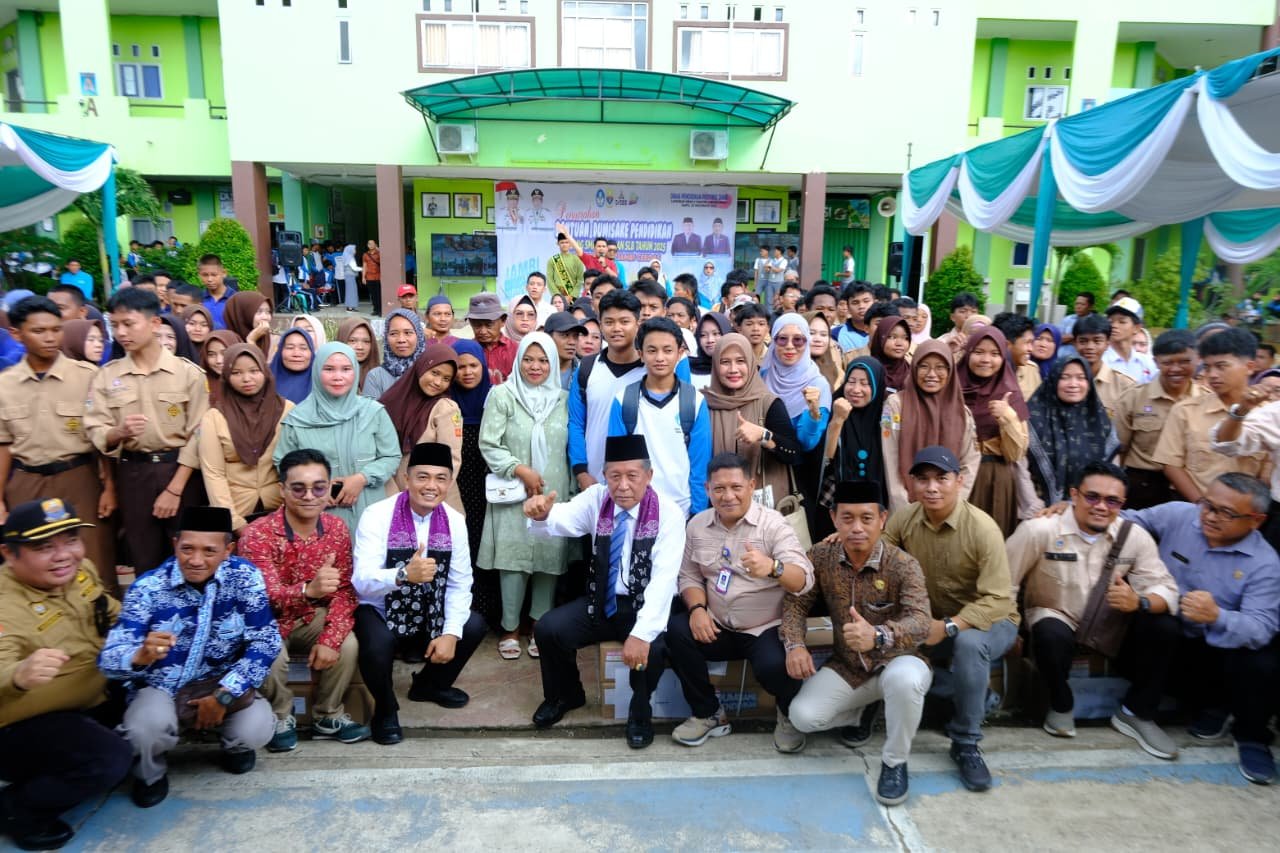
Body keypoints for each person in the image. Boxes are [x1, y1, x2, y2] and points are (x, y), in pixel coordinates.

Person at [99, 506, 281, 807]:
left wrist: (224, 695)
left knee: (256, 728)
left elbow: (266, 641)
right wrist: (139, 655)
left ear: (227, 550)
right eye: (187, 549)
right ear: (175, 545)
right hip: (161, 688)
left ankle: (234, 747)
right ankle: (150, 773)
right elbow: (109, 659)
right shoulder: (148, 587)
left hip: (218, 681)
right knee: (145, 731)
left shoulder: (245, 578)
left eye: (209, 551)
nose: (196, 560)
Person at [1007, 462, 1181, 751]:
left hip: (1111, 625)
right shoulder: (1040, 530)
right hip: (1057, 614)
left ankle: (1136, 712)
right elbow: (1005, 583)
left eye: (1112, 501)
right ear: (1074, 494)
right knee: (1050, 633)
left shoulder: (1133, 536)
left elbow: (1166, 589)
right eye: (1092, 497)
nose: (1101, 506)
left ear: (1122, 504)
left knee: (1165, 626)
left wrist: (1139, 601)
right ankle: (1061, 704)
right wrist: (1009, 629)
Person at [525, 435, 683, 748]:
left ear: (649, 476)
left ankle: (640, 714)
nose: (622, 485)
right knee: (549, 629)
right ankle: (566, 695)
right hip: (602, 601)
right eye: (614, 476)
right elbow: (564, 519)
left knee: (651, 651)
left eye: (632, 476)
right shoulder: (597, 498)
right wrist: (543, 514)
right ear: (605, 475)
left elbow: (664, 580)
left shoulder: (668, 513)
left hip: (644, 604)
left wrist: (642, 634)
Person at [784, 481, 933, 807]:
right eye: (847, 518)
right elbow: (796, 603)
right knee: (803, 716)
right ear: (833, 518)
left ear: (882, 518)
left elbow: (921, 623)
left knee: (905, 681)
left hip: (898, 661)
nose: (856, 528)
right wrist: (794, 645)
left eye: (866, 518)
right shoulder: (821, 556)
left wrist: (878, 635)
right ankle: (861, 712)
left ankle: (895, 762)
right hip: (849, 666)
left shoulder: (902, 564)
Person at [1123, 473, 1280, 783]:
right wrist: (1066, 512)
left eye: (1226, 513)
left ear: (1256, 520)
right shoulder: (1179, 515)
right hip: (1169, 644)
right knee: (1155, 619)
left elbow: (1262, 627)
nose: (1210, 516)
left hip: (1217, 654)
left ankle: (1250, 736)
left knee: (1262, 660)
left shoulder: (1265, 563)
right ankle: (1141, 711)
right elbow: (1125, 520)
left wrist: (1218, 616)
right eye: (1208, 505)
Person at [883, 446, 1018, 793]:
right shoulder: (905, 519)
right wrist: (845, 540)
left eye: (941, 478)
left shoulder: (982, 528)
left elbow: (998, 599)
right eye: (923, 479)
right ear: (912, 484)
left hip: (991, 620)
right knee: (885, 646)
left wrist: (948, 626)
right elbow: (879, 554)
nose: (932, 487)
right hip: (933, 621)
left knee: (970, 645)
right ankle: (977, 697)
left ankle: (966, 743)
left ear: (959, 481)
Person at [0, 499, 132, 850]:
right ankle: (18, 808)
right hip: (21, 723)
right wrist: (18, 675)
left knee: (162, 696)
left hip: (93, 694)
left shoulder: (81, 570)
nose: (63, 556)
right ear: (9, 554)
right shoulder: (4, 603)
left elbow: (111, 613)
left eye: (71, 540)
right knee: (109, 760)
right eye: (44, 547)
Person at [667, 452, 814, 751]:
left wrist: (773, 568)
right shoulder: (697, 525)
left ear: (751, 486)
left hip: (765, 628)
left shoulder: (773, 525)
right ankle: (709, 713)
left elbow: (804, 580)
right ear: (707, 489)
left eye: (736, 487)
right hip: (718, 624)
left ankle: (787, 714)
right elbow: (689, 576)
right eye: (719, 489)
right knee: (677, 631)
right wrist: (697, 609)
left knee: (776, 666)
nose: (728, 496)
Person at [352, 443, 488, 745]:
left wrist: (450, 633)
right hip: (381, 609)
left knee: (472, 625)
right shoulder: (376, 515)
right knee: (375, 643)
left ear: (449, 483)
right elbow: (361, 581)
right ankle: (385, 708)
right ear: (407, 478)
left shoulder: (454, 520)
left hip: (429, 608)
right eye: (422, 477)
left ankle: (429, 685)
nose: (431, 486)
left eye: (440, 478)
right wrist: (402, 575)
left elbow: (460, 582)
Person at [239, 449, 370, 753]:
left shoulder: (336, 529)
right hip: (266, 621)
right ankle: (279, 717)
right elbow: (260, 598)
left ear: (329, 488)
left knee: (347, 643)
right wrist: (307, 591)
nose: (309, 496)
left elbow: (344, 590)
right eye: (298, 488)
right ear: (282, 490)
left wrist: (330, 640)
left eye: (319, 488)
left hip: (310, 617)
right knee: (268, 651)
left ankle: (328, 715)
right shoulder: (257, 535)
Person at [84, 287, 208, 577]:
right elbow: (95, 427)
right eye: (115, 325)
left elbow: (199, 434)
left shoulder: (187, 373)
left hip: (180, 472)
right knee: (144, 556)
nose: (121, 332)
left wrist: (174, 490)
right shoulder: (107, 375)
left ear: (154, 323)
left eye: (129, 323)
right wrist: (118, 432)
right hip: (133, 473)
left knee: (189, 556)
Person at [0, 298, 116, 590]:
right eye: (39, 331)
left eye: (56, 329)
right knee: (34, 560)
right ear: (16, 334)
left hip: (79, 478)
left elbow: (101, 439)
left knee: (93, 557)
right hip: (27, 481)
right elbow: (3, 446)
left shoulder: (87, 376)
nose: (50, 338)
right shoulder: (5, 385)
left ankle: (100, 615)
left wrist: (110, 488)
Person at [479, 332, 571, 660]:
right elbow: (489, 443)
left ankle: (539, 625)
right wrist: (520, 469)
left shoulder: (564, 399)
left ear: (554, 363)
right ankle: (510, 628)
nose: (535, 366)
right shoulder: (503, 395)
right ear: (518, 361)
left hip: (554, 491)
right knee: (512, 560)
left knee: (548, 558)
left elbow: (571, 445)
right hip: (513, 491)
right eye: (528, 359)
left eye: (543, 360)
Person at [273, 342, 401, 531]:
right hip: (317, 513)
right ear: (317, 371)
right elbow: (283, 463)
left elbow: (391, 456)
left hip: (370, 511)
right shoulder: (297, 419)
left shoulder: (373, 412)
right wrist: (314, 488)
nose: (338, 377)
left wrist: (361, 478)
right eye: (329, 369)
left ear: (355, 371)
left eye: (346, 369)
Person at [608, 318, 711, 514]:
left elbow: (700, 464)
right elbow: (616, 462)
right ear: (641, 354)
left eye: (668, 350)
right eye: (652, 350)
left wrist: (697, 513)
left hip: (682, 509)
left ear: (680, 353)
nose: (660, 357)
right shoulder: (623, 401)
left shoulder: (695, 402)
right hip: (636, 510)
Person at [1154, 328, 1270, 502]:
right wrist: (1203, 504)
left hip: (1246, 511)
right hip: (1192, 505)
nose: (1212, 375)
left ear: (1249, 367)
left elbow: (1267, 474)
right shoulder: (1186, 410)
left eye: (1221, 367)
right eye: (1207, 368)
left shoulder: (1268, 415)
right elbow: (1171, 464)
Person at [701, 332, 804, 510]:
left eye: (740, 361)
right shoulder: (704, 404)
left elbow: (794, 454)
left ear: (751, 362)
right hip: (719, 507)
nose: (733, 369)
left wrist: (763, 435)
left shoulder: (768, 403)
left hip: (766, 509)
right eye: (725, 362)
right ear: (715, 365)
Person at [198, 344, 292, 534]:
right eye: (236, 373)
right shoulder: (214, 417)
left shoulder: (287, 410)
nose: (246, 379)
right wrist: (234, 523)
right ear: (226, 376)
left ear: (265, 371)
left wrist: (292, 514)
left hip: (282, 512)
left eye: (254, 371)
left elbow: (295, 467)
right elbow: (214, 474)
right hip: (237, 511)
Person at [881, 339, 980, 513]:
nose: (931, 374)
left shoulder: (962, 413)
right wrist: (904, 508)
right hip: (905, 508)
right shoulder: (895, 405)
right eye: (924, 366)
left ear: (950, 371)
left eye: (940, 367)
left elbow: (969, 463)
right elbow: (890, 457)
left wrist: (953, 504)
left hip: (947, 509)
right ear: (914, 368)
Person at [1113, 330, 1201, 509]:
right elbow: (1119, 450)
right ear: (1155, 362)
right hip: (1141, 487)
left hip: (1189, 490)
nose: (1176, 369)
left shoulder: (1206, 401)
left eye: (1184, 361)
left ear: (1198, 359)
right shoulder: (1133, 398)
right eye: (1167, 363)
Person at [956, 326, 1030, 536]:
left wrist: (1007, 417)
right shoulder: (952, 388)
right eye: (979, 352)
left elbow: (1016, 453)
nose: (986, 359)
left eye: (995, 354)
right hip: (957, 475)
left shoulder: (1010, 393)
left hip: (994, 478)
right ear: (968, 353)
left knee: (990, 540)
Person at [570, 290, 648, 488]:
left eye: (624, 321)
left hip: (640, 484)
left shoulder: (650, 371)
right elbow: (576, 423)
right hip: (594, 480)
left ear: (638, 324)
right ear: (600, 324)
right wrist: (581, 472)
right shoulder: (587, 368)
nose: (616, 328)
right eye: (609, 322)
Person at [1026, 356, 1120, 507]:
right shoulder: (1032, 419)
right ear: (1053, 380)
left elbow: (1112, 471)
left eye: (1081, 378)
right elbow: (1020, 470)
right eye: (1065, 377)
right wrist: (1035, 507)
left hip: (1090, 508)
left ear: (1089, 383)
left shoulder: (1100, 421)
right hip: (1040, 510)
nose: (1073, 384)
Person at [380, 344, 464, 509]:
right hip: (394, 490)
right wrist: (394, 495)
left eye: (446, 379)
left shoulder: (445, 408)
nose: (438, 382)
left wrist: (432, 493)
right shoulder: (393, 400)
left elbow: (452, 458)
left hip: (433, 496)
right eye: (435, 373)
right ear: (422, 366)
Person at [822, 357, 890, 508]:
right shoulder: (833, 407)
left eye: (864, 383)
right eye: (851, 382)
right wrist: (837, 420)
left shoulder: (887, 416)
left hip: (878, 505)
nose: (856, 389)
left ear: (877, 385)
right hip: (838, 503)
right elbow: (824, 460)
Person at [761, 313, 832, 455]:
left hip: (794, 465)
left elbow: (807, 443)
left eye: (798, 340)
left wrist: (813, 412)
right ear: (773, 341)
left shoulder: (818, 384)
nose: (789, 346)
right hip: (759, 461)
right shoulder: (763, 375)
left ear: (807, 342)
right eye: (782, 339)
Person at [1070, 313, 1136, 420]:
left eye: (1097, 341)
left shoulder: (1125, 386)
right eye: (1083, 341)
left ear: (1107, 343)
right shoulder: (1062, 381)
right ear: (1074, 343)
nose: (1090, 347)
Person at [363, 309, 426, 400]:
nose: (401, 340)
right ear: (386, 337)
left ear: (419, 336)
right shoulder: (375, 377)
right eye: (393, 334)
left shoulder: (430, 372)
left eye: (408, 333)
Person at [464, 292, 520, 385]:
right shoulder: (466, 351)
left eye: (489, 325)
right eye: (477, 325)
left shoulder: (515, 349)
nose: (483, 331)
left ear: (503, 321)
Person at [1102, 297, 1158, 384]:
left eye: (1122, 322)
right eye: (1110, 321)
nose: (1114, 325)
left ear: (1136, 328)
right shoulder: (1101, 361)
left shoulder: (1148, 363)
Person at [992, 312, 1040, 401]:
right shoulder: (987, 370)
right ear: (1007, 345)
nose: (1031, 349)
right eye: (1027, 342)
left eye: (1032, 342)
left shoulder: (1031, 370)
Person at [269, 327, 317, 404]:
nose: (296, 354)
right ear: (280, 351)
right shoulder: (264, 380)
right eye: (290, 348)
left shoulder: (323, 384)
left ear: (311, 352)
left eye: (303, 348)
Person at [223, 290, 276, 358]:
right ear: (242, 314)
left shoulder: (274, 341)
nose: (265, 317)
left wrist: (251, 341)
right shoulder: (224, 343)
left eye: (268, 312)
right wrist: (251, 341)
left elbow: (261, 364)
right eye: (259, 312)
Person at [336, 316, 380, 394]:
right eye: (352, 341)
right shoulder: (330, 376)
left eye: (366, 341)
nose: (360, 347)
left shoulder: (380, 376)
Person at [689, 312, 731, 393]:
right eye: (703, 335)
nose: (710, 340)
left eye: (716, 334)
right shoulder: (688, 367)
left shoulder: (737, 368)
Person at [868, 315, 912, 392]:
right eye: (892, 337)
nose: (899, 343)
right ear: (880, 338)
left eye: (905, 338)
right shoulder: (868, 370)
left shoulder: (911, 371)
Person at [806, 310, 844, 393]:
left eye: (823, 335)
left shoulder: (837, 371)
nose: (818, 339)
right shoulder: (790, 370)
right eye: (811, 333)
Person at [197, 254, 237, 329]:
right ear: (199, 275)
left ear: (224, 273)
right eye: (205, 275)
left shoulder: (235, 299)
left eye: (214, 275)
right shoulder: (198, 298)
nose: (209, 279)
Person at [834, 283, 875, 352]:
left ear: (874, 302)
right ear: (848, 307)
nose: (861, 306)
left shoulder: (884, 331)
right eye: (855, 303)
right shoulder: (835, 334)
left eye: (866, 301)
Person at [546, 231, 587, 299]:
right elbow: (550, 280)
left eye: (567, 242)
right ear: (558, 243)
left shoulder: (577, 260)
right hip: (557, 298)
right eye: (562, 242)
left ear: (570, 244)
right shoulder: (552, 260)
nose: (564, 245)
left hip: (573, 297)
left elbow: (580, 279)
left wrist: (572, 295)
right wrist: (557, 296)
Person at [1059, 291, 1097, 359]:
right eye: (1077, 304)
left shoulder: (1094, 322)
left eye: (1082, 304)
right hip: (1060, 358)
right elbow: (1057, 339)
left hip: (1080, 360)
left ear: (1091, 307)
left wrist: (1068, 338)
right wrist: (1075, 336)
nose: (1078, 307)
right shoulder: (1067, 319)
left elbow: (1087, 343)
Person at [338, 242, 362, 311]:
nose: (355, 251)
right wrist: (363, 269)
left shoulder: (346, 257)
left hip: (347, 276)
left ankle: (349, 306)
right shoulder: (350, 258)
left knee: (349, 291)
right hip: (351, 276)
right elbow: (354, 268)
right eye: (354, 249)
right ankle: (351, 307)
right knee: (352, 292)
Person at [362, 240, 382, 315]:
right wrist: (363, 277)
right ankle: (375, 309)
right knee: (373, 295)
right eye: (369, 244)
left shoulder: (379, 253)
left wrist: (378, 249)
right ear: (367, 245)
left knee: (379, 294)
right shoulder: (365, 255)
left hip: (378, 276)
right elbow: (364, 266)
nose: (371, 245)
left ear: (375, 245)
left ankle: (380, 310)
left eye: (372, 244)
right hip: (369, 277)